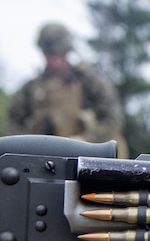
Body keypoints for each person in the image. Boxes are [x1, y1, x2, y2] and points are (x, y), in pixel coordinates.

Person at [8, 22, 128, 157]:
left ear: (66, 51)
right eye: (49, 55)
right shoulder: (32, 88)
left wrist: (87, 140)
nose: (54, 60)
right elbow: (13, 120)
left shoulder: (88, 81)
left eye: (58, 54)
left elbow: (113, 119)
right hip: (45, 160)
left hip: (86, 157)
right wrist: (30, 146)